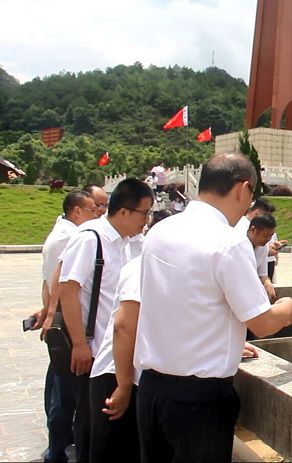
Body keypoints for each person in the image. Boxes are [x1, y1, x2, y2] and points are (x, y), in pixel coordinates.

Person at [134, 153, 292, 462]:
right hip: (198, 401)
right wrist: (288, 308)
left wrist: (228, 342)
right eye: (251, 195)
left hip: (151, 388)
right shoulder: (228, 242)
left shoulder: (160, 231)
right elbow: (261, 323)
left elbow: (182, 301)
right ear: (242, 188)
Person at [58, 178, 154, 462]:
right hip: (93, 352)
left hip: (115, 355)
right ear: (123, 212)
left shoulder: (128, 243)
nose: (146, 220)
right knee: (89, 428)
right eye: (144, 213)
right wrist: (79, 344)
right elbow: (67, 289)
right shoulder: (91, 238)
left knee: (110, 433)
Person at [86, 208, 172, 463]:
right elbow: (124, 326)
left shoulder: (162, 267)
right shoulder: (144, 267)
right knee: (113, 451)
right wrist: (123, 387)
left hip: (132, 377)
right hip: (117, 374)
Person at [33, 190, 97, 463]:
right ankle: (57, 450)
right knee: (66, 396)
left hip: (59, 320)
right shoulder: (74, 238)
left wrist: (47, 310)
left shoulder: (59, 234)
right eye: (94, 208)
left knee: (59, 388)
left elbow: (48, 280)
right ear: (77, 211)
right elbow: (62, 283)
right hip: (67, 326)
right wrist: (50, 314)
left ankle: (58, 445)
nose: (98, 214)